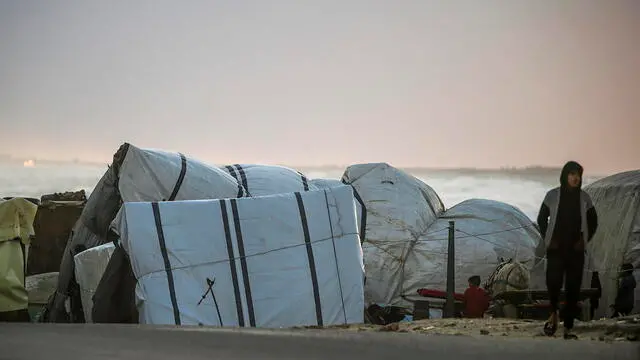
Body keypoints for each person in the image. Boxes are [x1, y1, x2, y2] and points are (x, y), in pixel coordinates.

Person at [536, 161, 598, 339]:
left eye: (578, 174)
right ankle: (554, 313)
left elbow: (593, 221)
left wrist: (584, 241)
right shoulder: (552, 195)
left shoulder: (584, 198)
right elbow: (541, 218)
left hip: (575, 249)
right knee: (553, 282)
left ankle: (568, 327)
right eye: (572, 174)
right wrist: (549, 238)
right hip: (556, 248)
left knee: (573, 287)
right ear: (565, 175)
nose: (575, 177)